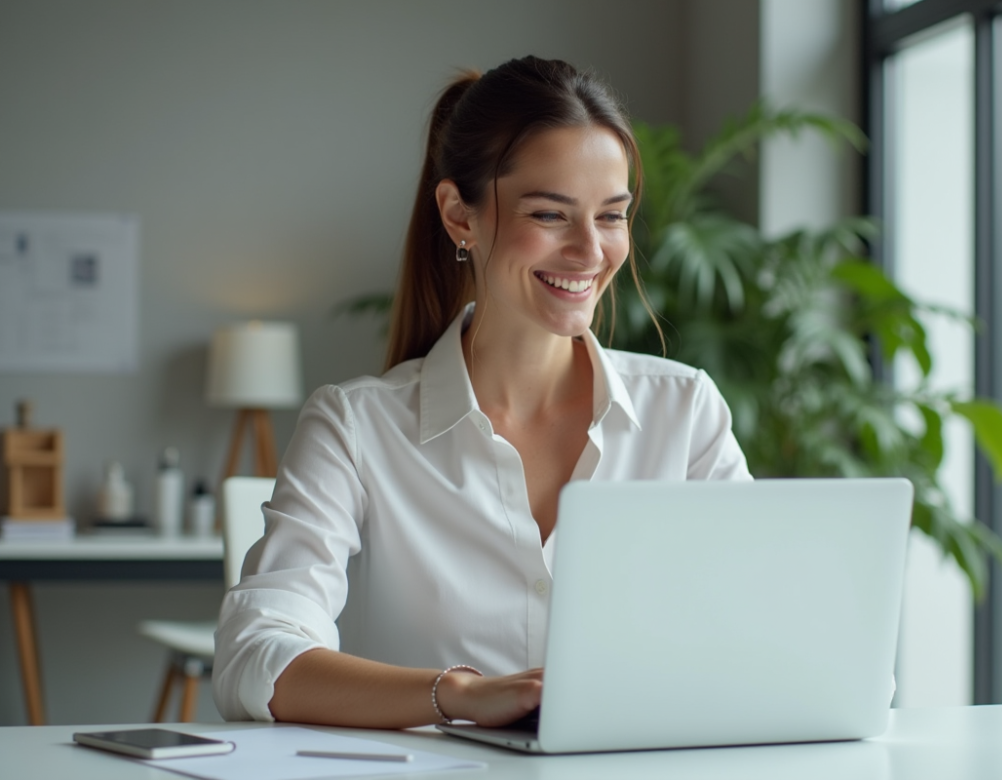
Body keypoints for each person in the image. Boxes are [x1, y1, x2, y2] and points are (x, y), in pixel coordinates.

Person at [212, 55, 750, 729]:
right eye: (551, 214)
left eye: (611, 216)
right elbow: (254, 659)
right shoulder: (354, 428)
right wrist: (458, 695)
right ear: (459, 216)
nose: (590, 251)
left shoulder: (686, 412)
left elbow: (764, 630)